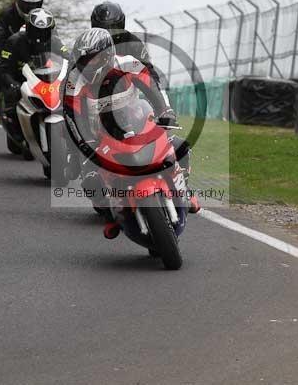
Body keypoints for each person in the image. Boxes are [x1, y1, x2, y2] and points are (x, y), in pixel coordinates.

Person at [63, 28, 199, 239]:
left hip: (138, 122)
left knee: (180, 146)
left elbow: (152, 87)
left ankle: (185, 193)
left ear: (106, 55)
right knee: (90, 179)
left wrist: (165, 111)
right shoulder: (74, 81)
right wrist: (84, 144)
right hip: (99, 136)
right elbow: (72, 117)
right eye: (83, 60)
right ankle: (111, 217)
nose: (87, 65)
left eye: (92, 59)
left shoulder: (127, 63)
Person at [0, 7, 69, 140]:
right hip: (20, 78)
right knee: (12, 94)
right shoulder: (14, 41)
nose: (40, 35)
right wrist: (12, 83)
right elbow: (4, 68)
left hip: (45, 79)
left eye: (44, 32)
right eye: (37, 31)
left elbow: (67, 58)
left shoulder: (55, 41)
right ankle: (14, 129)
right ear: (29, 29)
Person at [0, 0, 45, 115]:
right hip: (9, 53)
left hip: (33, 54)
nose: (30, 8)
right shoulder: (7, 14)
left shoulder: (43, 17)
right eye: (26, 4)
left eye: (34, 5)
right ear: (17, 0)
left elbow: (53, 39)